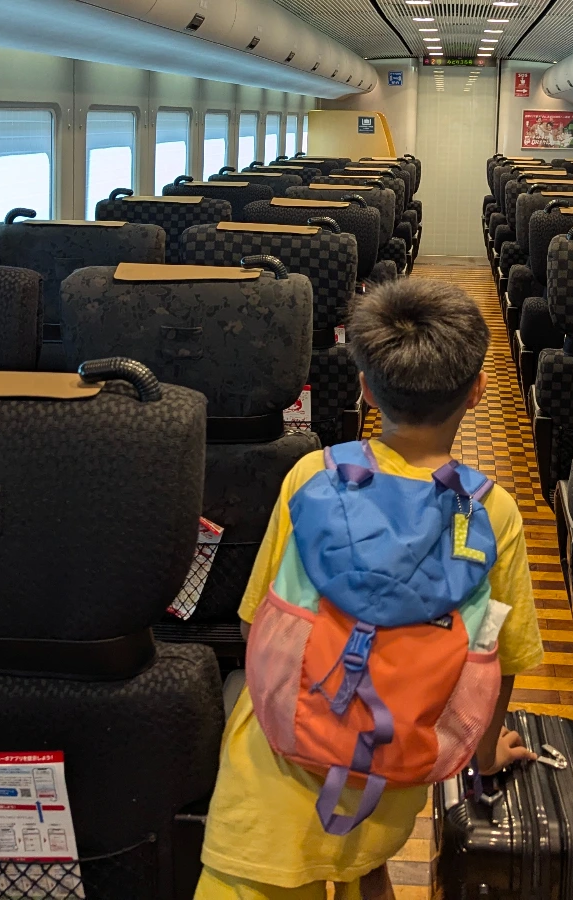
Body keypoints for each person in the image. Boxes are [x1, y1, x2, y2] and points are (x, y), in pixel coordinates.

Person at [195, 278, 546, 900]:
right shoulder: (493, 513)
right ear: (477, 392)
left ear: (364, 387)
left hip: (276, 772)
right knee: (361, 867)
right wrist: (485, 756)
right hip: (390, 767)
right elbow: (502, 658)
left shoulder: (312, 473)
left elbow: (257, 622)